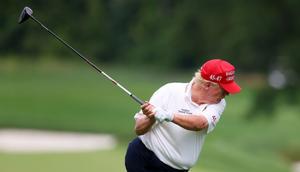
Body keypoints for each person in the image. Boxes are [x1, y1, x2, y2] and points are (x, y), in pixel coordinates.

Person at [125, 59, 241, 172]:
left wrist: (167, 115)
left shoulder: (219, 103)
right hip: (142, 158)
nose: (228, 93)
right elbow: (139, 130)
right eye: (224, 89)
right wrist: (151, 116)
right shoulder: (169, 91)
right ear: (207, 85)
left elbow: (200, 124)